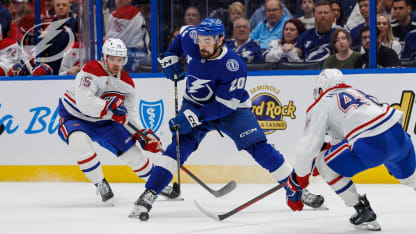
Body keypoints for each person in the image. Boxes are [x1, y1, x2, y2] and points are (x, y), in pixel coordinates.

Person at [128, 17, 325, 220]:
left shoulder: (233, 66)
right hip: (194, 103)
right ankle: (149, 192)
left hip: (231, 110)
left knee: (259, 147)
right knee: (178, 147)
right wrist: (170, 55)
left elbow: (223, 106)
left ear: (221, 39)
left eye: (208, 41)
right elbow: (182, 34)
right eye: (201, 39)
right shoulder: (191, 37)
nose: (202, 45)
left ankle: (297, 190)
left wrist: (194, 117)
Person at [285, 68, 416, 231]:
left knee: (323, 164)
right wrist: (327, 150)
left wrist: (298, 182)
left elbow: (306, 149)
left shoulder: (322, 103)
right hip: (399, 137)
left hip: (371, 144)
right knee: (412, 179)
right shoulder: (356, 92)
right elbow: (348, 133)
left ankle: (363, 211)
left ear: (320, 88)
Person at [57, 38, 178, 203]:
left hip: (105, 123)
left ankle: (157, 185)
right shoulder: (91, 69)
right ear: (104, 58)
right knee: (79, 142)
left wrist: (143, 134)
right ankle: (100, 183)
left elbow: (130, 115)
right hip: (75, 116)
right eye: (112, 58)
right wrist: (109, 106)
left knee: (135, 155)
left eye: (119, 59)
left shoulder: (127, 84)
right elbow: (84, 102)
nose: (116, 63)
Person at [105, 0, 150, 72]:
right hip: (127, 54)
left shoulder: (137, 15)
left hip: (136, 52)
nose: (119, 1)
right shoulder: (112, 16)